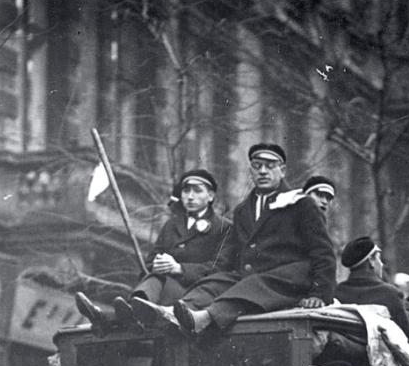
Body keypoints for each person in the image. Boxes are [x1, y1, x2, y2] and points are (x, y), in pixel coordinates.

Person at [132, 143, 337, 336]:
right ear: (251, 171)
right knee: (216, 282)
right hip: (251, 278)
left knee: (252, 284)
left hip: (288, 280)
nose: (262, 171)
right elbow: (228, 256)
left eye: (270, 166)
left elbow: (323, 252)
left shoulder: (301, 204)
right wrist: (210, 276)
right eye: (257, 166)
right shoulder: (242, 210)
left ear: (282, 170)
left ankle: (205, 317)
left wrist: (319, 294)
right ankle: (178, 311)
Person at [76, 169, 233, 335]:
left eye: (197, 191)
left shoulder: (224, 227)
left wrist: (179, 268)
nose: (190, 196)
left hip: (194, 295)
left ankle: (109, 318)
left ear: (210, 196)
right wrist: (157, 264)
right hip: (163, 290)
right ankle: (128, 312)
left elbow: (221, 269)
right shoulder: (172, 225)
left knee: (156, 281)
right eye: (186, 191)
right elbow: (150, 262)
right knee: (154, 276)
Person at [333, 236, 409, 341]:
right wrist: (405, 305)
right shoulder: (390, 294)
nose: (381, 264)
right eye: (378, 258)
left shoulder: (337, 292)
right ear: (371, 261)